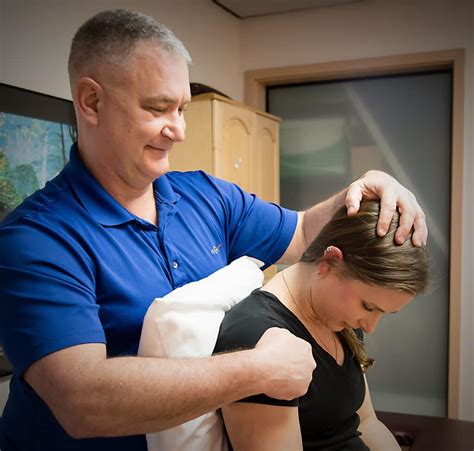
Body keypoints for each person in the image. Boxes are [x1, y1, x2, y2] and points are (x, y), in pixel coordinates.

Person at [0, 8, 427, 451]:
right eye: (158, 108)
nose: (179, 130)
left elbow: (303, 234)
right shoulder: (37, 239)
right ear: (91, 102)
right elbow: (82, 400)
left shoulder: (206, 197)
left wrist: (362, 188)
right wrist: (256, 370)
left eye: (182, 108)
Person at [214, 200, 429, 451]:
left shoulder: (340, 321)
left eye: (384, 313)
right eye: (368, 306)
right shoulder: (257, 338)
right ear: (329, 261)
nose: (370, 327)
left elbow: (367, 422)